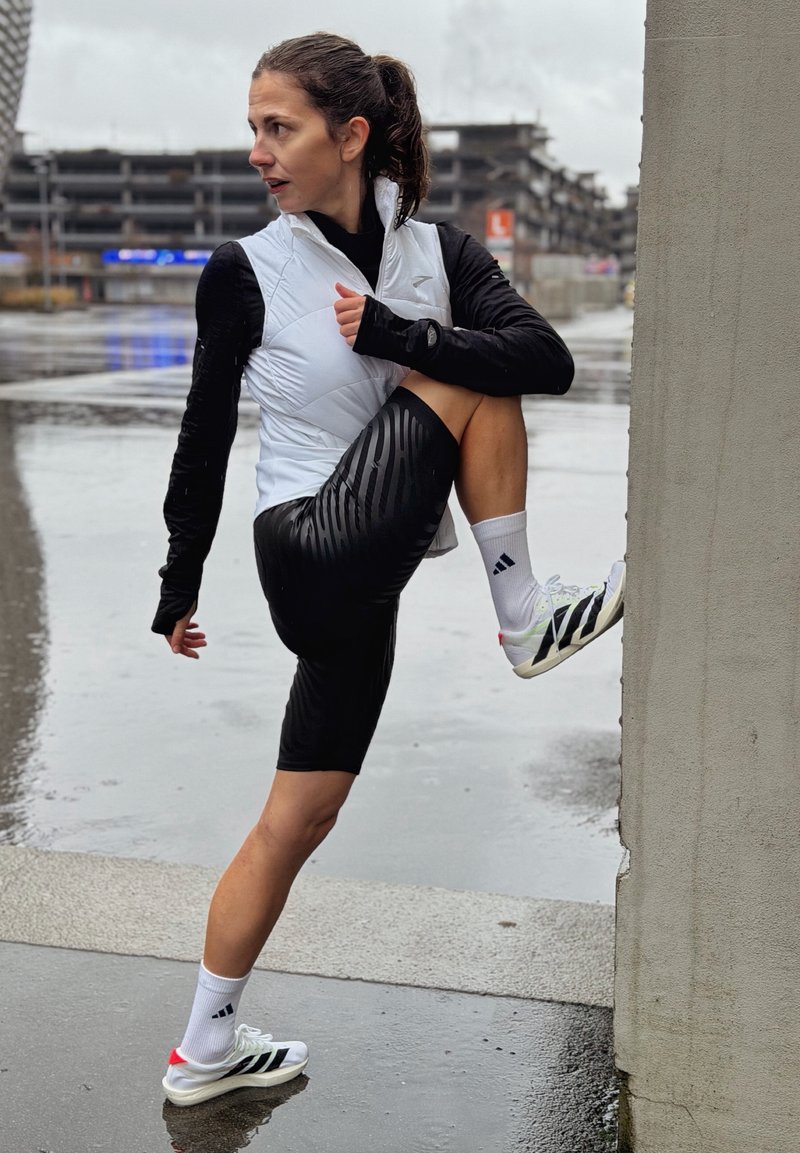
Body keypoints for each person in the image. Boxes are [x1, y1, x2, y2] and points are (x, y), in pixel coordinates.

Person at [153, 32, 624, 1108]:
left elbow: (545, 356)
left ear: (349, 134)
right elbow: (201, 432)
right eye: (253, 129)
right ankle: (522, 615)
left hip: (369, 572)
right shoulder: (247, 270)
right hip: (309, 540)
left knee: (297, 818)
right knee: (466, 377)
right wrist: (178, 585)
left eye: (280, 127)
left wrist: (405, 330)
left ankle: (203, 1049)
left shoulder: (440, 252)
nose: (259, 152)